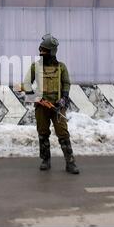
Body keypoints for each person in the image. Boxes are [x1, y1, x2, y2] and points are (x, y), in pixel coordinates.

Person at [21, 34, 79, 174]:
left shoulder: (61, 67)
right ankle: (45, 160)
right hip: (41, 106)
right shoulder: (35, 67)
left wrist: (64, 98)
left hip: (58, 106)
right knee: (43, 133)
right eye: (41, 50)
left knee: (63, 134)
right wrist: (36, 98)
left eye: (44, 51)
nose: (42, 53)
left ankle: (70, 162)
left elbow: (66, 83)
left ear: (52, 51)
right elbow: (25, 84)